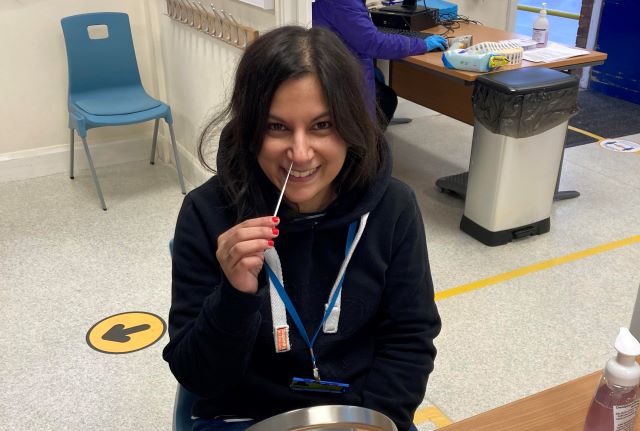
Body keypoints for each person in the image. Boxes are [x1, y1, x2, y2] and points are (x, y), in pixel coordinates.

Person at [163, 25, 441, 431]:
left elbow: (409, 340)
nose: (300, 152)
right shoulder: (207, 212)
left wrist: (375, 421)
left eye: (322, 125)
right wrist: (235, 297)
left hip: (360, 412)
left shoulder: (393, 208)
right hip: (245, 416)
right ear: (250, 128)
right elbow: (198, 377)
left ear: (350, 125)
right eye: (277, 127)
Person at [312, 0, 448, 124]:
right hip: (342, 80)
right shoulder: (345, 3)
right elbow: (374, 43)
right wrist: (422, 44)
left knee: (384, 92)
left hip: (338, 69)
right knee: (386, 101)